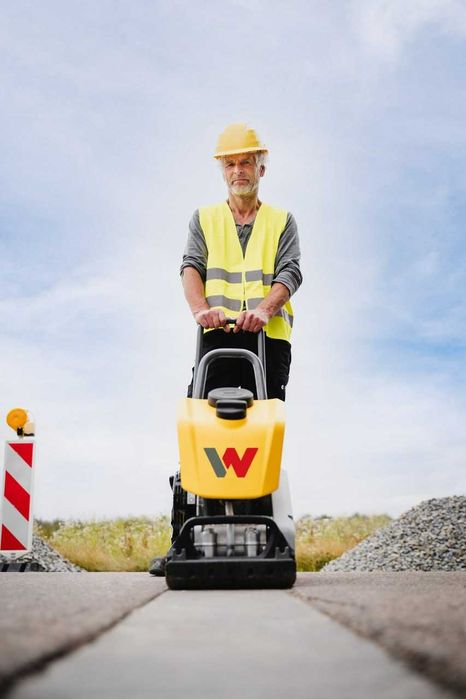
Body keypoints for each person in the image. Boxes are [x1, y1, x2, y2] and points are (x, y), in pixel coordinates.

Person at [149, 123, 302, 576]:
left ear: (261, 167)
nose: (239, 171)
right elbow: (191, 266)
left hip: (267, 339)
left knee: (260, 432)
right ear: (222, 170)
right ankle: (184, 536)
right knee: (202, 428)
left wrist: (266, 308)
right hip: (216, 338)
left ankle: (263, 531)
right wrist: (200, 310)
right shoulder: (204, 219)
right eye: (231, 163)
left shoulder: (281, 221)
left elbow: (291, 271)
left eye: (246, 162)